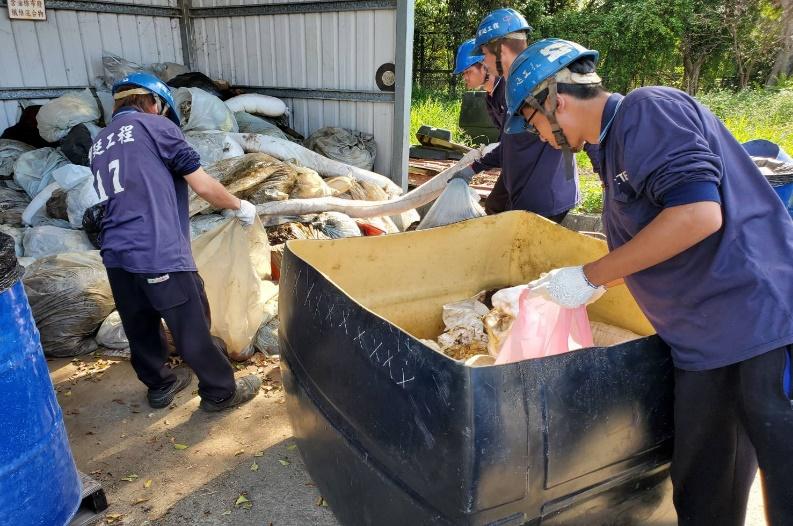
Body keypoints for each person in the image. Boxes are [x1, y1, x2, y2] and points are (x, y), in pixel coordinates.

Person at [504, 38, 793, 525]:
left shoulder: (646, 111)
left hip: (758, 323)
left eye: (531, 122)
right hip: (703, 344)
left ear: (554, 100)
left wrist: (591, 275)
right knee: (704, 491)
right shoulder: (609, 148)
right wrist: (590, 283)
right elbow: (651, 243)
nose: (538, 136)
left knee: (785, 481)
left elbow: (698, 214)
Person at [89, 72, 262, 412]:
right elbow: (203, 185)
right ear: (153, 103)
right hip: (157, 250)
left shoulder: (100, 141)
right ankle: (220, 393)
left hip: (115, 253)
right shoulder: (157, 127)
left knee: (139, 326)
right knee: (191, 325)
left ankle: (159, 385)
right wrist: (239, 205)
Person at [453, 8, 578, 221]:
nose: (485, 61)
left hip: (544, 191)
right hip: (521, 183)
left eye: (484, 55)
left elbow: (586, 128)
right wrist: (474, 168)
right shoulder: (505, 92)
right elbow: (508, 144)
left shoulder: (537, 81)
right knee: (495, 209)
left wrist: (608, 178)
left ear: (500, 50)